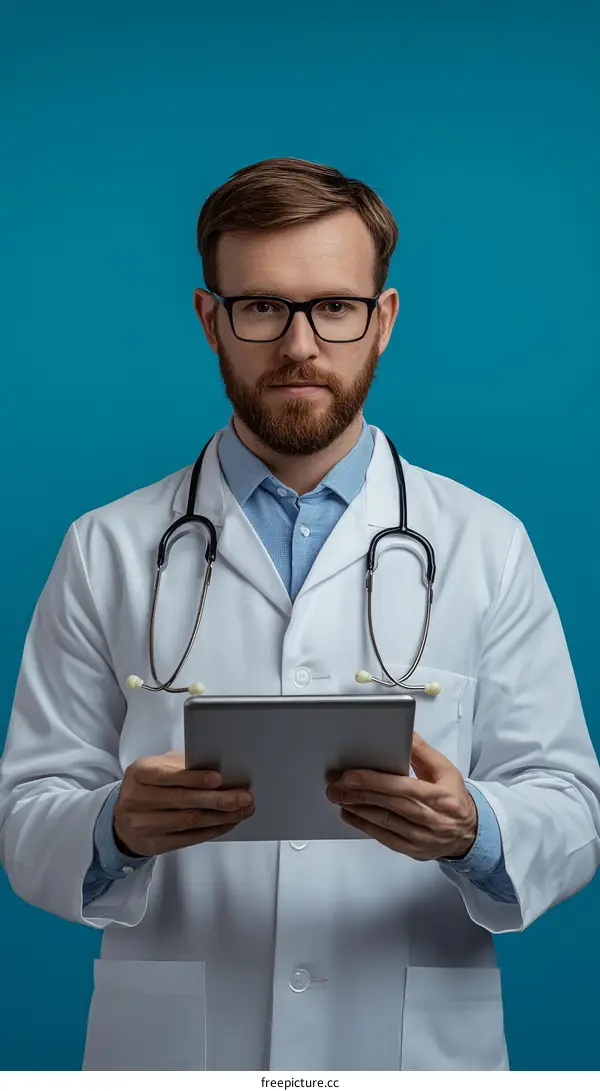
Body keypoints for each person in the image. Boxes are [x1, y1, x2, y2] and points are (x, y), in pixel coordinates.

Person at [1, 157, 599, 1073]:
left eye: (334, 306)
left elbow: (569, 802)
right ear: (211, 320)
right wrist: (111, 826)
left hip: (410, 1047)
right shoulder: (106, 547)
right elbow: (27, 808)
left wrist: (473, 828)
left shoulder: (487, 543)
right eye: (262, 307)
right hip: (179, 1053)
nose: (300, 345)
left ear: (383, 319)